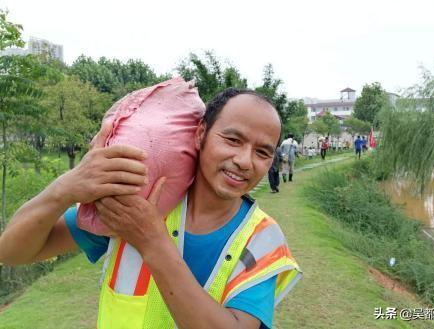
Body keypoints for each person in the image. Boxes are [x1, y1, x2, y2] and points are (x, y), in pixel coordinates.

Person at [0, 89, 302, 329]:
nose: (245, 161)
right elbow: (12, 252)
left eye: (262, 152)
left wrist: (151, 240)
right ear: (201, 134)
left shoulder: (264, 240)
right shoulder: (136, 201)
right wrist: (66, 187)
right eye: (232, 139)